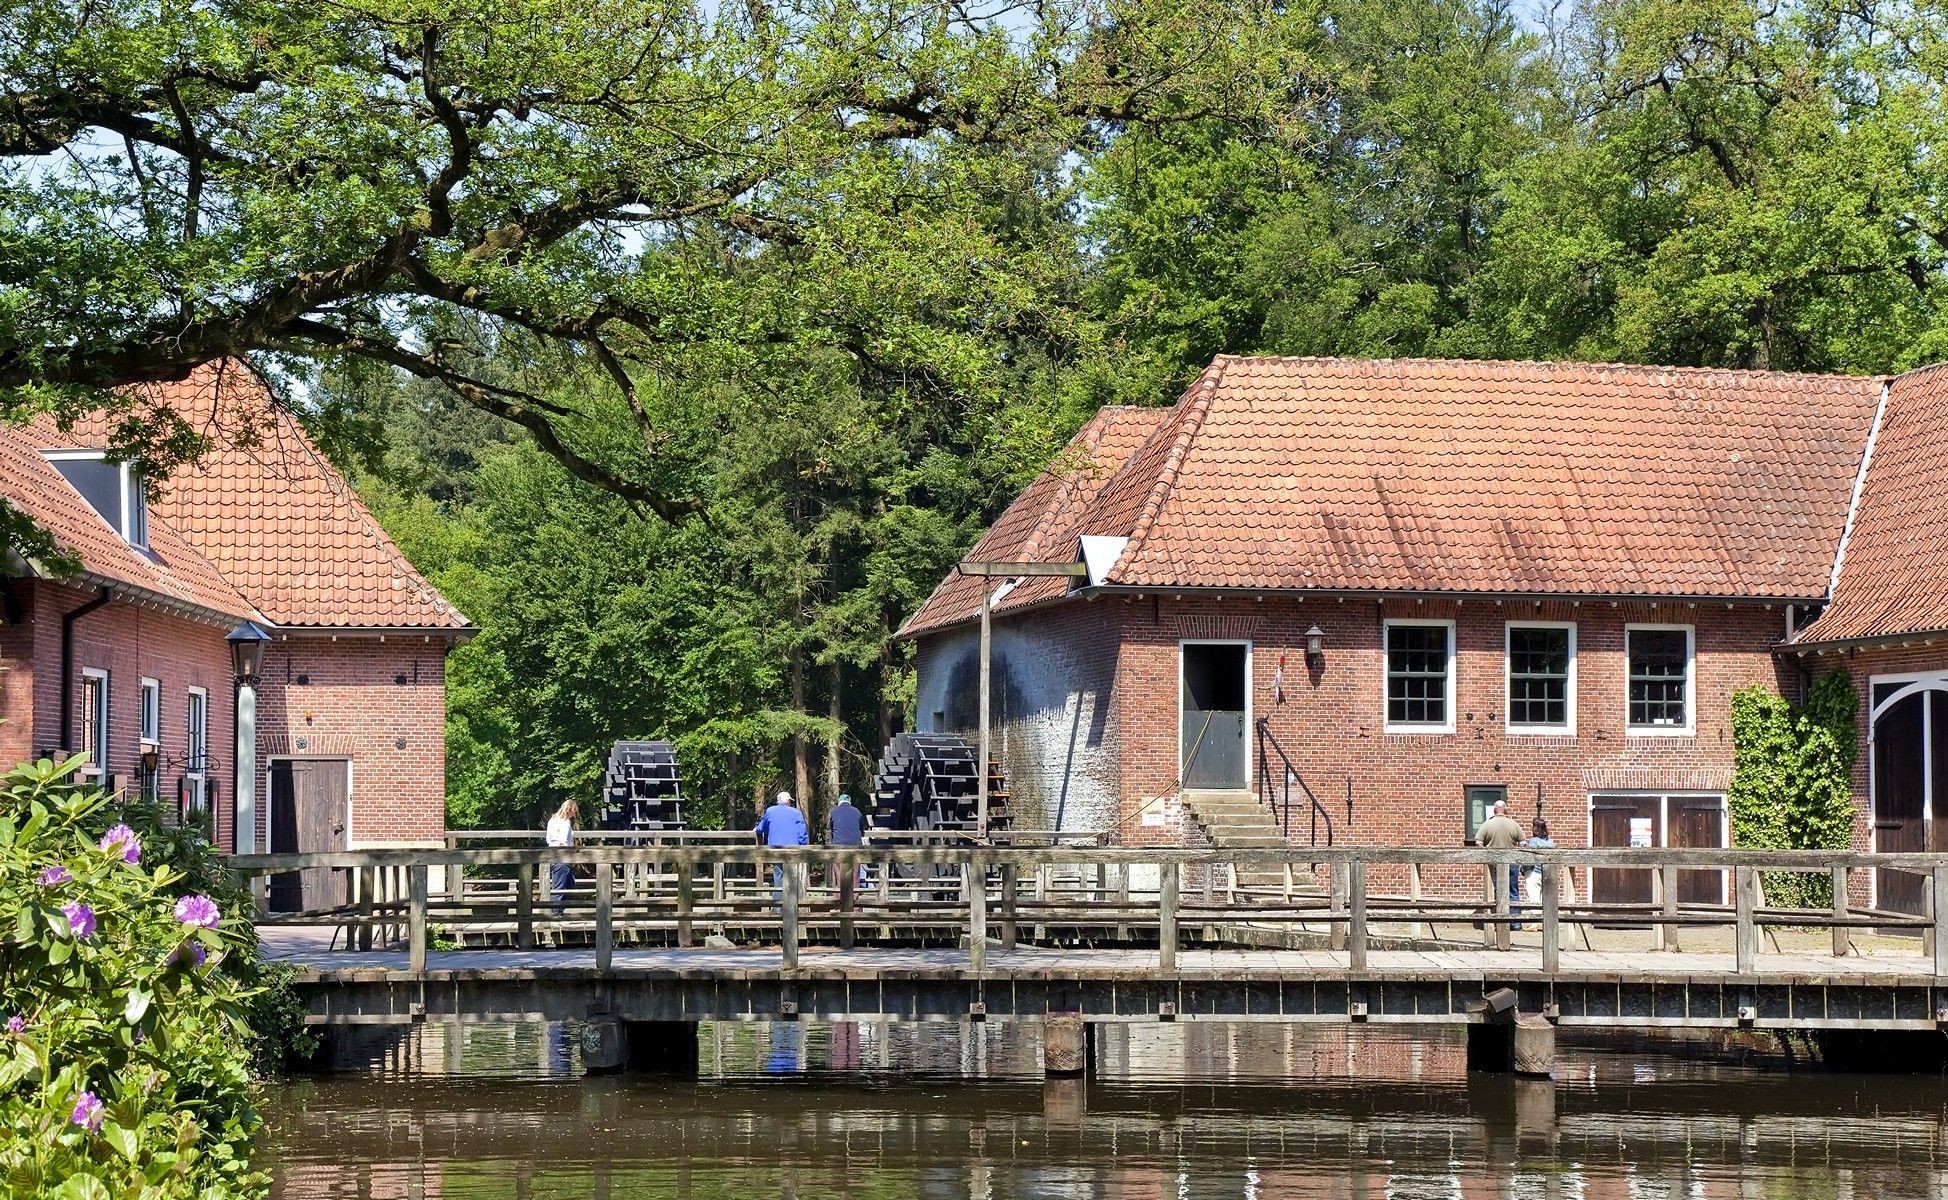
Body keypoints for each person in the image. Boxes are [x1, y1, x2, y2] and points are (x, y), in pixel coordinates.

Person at [1474, 800, 1526, 930]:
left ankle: (1497, 922)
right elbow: (1523, 843)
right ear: (1505, 809)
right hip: (1512, 862)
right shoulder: (1513, 824)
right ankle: (1515, 923)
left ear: (1494, 810)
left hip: (1494, 863)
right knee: (1513, 891)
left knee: (1496, 891)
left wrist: (1486, 855)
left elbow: (1478, 843)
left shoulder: (1487, 824)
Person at [755, 790, 809, 894]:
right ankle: (792, 906)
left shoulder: (770, 811)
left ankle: (777, 907)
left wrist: (757, 828)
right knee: (792, 877)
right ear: (788, 801)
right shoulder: (796, 813)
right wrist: (803, 846)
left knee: (778, 878)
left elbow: (762, 828)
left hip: (775, 849)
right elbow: (802, 833)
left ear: (778, 801)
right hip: (793, 850)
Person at [828, 791, 868, 906]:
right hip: (855, 846)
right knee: (855, 874)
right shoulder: (857, 811)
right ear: (849, 802)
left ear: (839, 802)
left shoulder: (834, 811)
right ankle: (854, 901)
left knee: (839, 874)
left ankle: (839, 899)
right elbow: (861, 827)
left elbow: (831, 828)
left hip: (838, 846)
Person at [545, 799, 577, 914]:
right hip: (562, 856)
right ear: (569, 809)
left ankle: (558, 910)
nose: (574, 814)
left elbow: (548, 839)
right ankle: (555, 913)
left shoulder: (552, 820)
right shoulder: (565, 823)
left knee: (569, 885)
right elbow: (563, 841)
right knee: (559, 887)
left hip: (553, 854)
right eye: (574, 811)